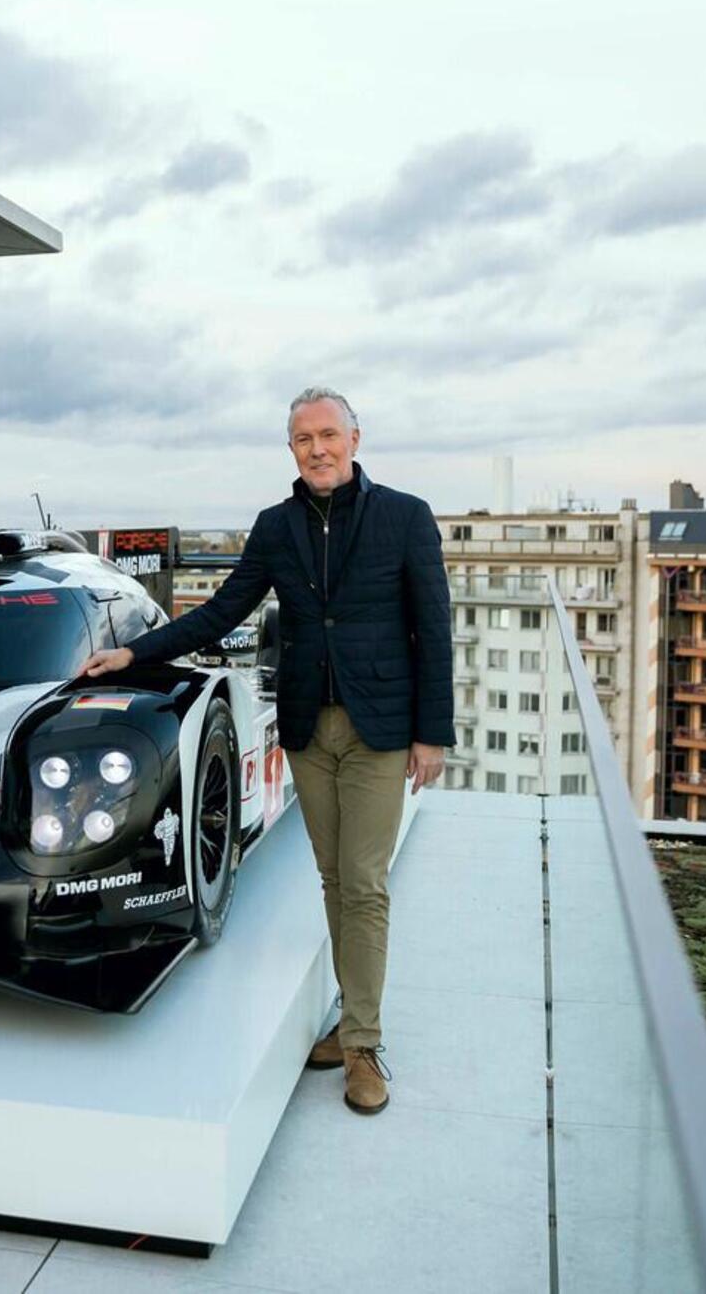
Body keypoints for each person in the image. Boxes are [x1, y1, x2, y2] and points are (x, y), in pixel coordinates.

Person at [80, 388, 451, 1115]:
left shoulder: (405, 517)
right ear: (291, 450)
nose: (317, 448)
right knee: (333, 877)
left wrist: (430, 732)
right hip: (309, 729)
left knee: (365, 883)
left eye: (328, 435)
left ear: (354, 437)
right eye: (303, 439)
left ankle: (363, 1042)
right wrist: (132, 653)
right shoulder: (276, 527)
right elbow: (223, 610)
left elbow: (433, 628)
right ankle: (352, 1018)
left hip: (381, 728)